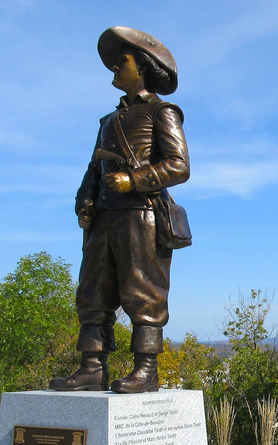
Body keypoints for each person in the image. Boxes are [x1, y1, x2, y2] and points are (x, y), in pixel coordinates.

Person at [50, 27, 190, 394]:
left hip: (140, 215)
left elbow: (179, 166)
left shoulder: (162, 111)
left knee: (143, 294)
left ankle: (146, 369)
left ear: (142, 66)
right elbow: (93, 169)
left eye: (123, 60)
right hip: (103, 219)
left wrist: (134, 180)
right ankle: (91, 367)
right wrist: (84, 201)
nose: (114, 66)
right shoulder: (108, 122)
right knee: (93, 295)